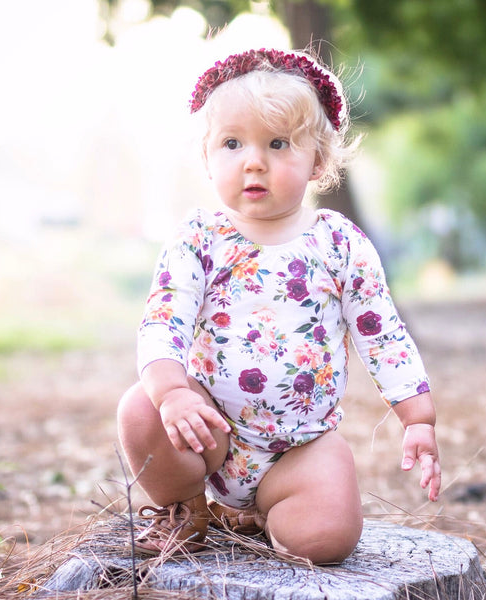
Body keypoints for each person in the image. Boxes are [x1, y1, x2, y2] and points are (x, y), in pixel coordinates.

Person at [117, 48, 441, 565]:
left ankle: (267, 511)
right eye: (232, 143)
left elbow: (382, 334)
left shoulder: (339, 242)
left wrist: (416, 416)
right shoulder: (200, 238)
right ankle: (186, 507)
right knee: (141, 408)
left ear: (317, 159)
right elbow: (163, 321)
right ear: (207, 156)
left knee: (325, 542)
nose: (254, 160)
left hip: (301, 448)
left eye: (277, 143)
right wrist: (173, 391)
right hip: (209, 430)